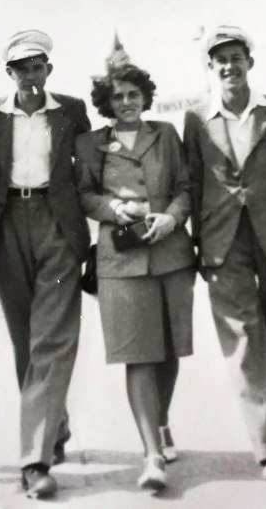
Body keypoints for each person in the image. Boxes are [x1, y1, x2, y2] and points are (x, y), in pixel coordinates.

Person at [183, 25, 266, 481]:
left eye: (236, 57)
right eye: (220, 60)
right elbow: (193, 183)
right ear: (210, 69)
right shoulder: (196, 119)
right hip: (222, 240)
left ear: (249, 63)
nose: (229, 66)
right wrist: (197, 244)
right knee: (243, 342)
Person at [0, 30, 90, 499]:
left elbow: (90, 168)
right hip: (6, 227)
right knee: (26, 338)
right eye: (21, 66)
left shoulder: (71, 110)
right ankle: (52, 423)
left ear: (49, 69)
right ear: (9, 73)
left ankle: (34, 461)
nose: (30, 73)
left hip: (56, 222)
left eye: (37, 64)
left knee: (53, 337)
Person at [76, 44, 195, 491]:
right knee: (138, 355)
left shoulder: (166, 134)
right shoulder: (90, 144)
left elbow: (186, 187)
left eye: (133, 94)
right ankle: (151, 453)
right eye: (118, 96)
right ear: (106, 103)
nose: (126, 102)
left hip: (170, 254)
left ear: (145, 97)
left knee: (169, 350)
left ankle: (161, 423)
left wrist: (173, 217)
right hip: (120, 259)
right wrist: (111, 209)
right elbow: (83, 194)